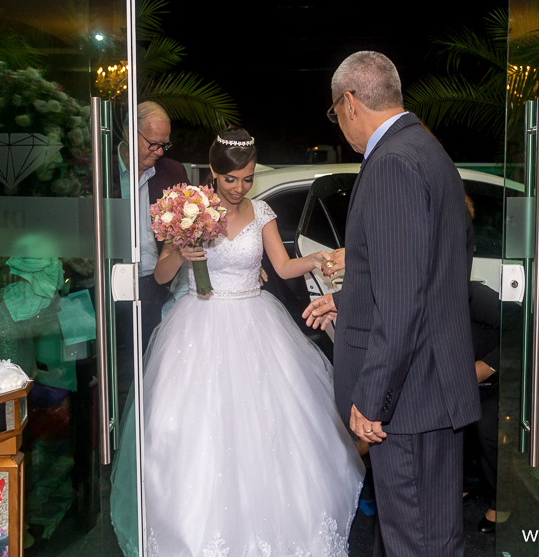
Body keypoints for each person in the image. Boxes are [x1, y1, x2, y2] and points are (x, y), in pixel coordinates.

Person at [111, 126, 365, 557]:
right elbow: (160, 276)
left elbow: (283, 268)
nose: (239, 187)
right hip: (198, 327)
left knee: (271, 431)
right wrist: (180, 253)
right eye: (231, 179)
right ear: (213, 171)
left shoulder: (262, 212)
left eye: (247, 178)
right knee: (188, 432)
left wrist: (319, 259)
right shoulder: (189, 209)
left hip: (255, 323)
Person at [304, 51, 481, 556]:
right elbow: (420, 276)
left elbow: (403, 301)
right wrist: (348, 301)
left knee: (415, 542)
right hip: (433, 390)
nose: (340, 125)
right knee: (434, 537)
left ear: (350, 102)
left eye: (336, 113)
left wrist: (372, 397)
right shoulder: (426, 150)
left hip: (407, 401)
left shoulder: (392, 164)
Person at [117, 101, 189, 348]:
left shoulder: (173, 172)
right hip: (111, 285)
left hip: (155, 285)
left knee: (150, 360)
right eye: (153, 143)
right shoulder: (100, 169)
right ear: (129, 133)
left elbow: (186, 231)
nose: (159, 152)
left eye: (164, 144)